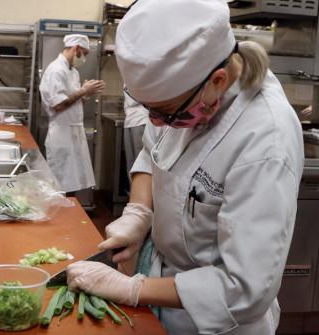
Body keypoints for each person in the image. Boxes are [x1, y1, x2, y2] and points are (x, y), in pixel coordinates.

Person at [66, 1, 304, 334]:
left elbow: (246, 287)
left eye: (166, 113)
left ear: (218, 81)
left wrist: (129, 289)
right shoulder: (186, 93)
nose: (156, 121)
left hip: (217, 320)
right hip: (161, 287)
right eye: (149, 109)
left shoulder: (265, 139)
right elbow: (152, 151)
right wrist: (138, 213)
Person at [39, 34, 105, 194]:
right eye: (85, 54)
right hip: (61, 135)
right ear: (76, 49)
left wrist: (86, 94)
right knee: (61, 186)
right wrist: (83, 91)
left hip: (75, 133)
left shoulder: (73, 72)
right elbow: (58, 105)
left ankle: (72, 216)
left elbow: (73, 102)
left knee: (74, 184)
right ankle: (61, 218)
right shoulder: (56, 70)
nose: (85, 59)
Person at [123, 88, 149, 176]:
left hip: (141, 119)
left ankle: (143, 188)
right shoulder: (127, 77)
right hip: (129, 120)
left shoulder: (140, 75)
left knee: (140, 162)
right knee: (130, 163)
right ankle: (133, 189)